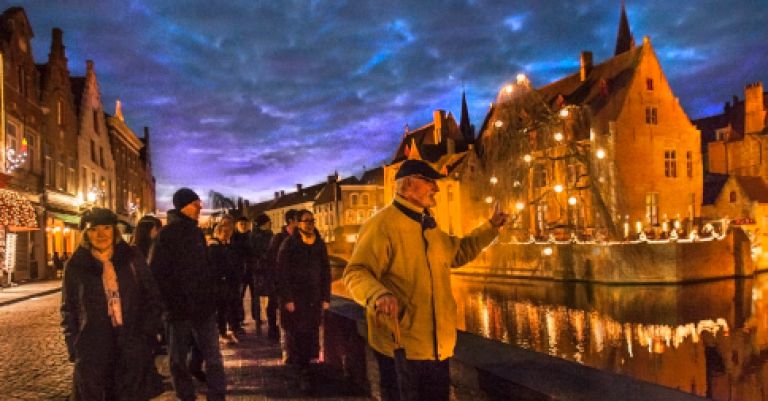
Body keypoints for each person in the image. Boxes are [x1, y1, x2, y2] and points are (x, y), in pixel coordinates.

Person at [343, 159, 508, 401]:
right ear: (409, 185)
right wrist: (377, 294)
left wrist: (491, 227)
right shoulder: (382, 225)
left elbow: (458, 252)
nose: (436, 188)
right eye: (429, 181)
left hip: (438, 347)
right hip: (400, 345)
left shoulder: (428, 225)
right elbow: (356, 272)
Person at [60, 208, 163, 401]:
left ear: (114, 230)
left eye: (106, 228)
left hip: (131, 343)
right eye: (94, 229)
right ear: (86, 234)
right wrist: (74, 346)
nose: (101, 234)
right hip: (93, 349)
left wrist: (146, 334)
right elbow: (69, 309)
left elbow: (152, 297)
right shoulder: (76, 265)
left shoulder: (131, 257)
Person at [150, 188, 226, 401]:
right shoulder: (167, 235)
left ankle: (217, 396)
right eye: (196, 203)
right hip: (178, 311)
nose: (200, 206)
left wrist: (211, 294)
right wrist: (169, 305)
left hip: (203, 308)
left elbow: (205, 269)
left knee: (213, 357)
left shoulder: (196, 233)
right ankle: (186, 397)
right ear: (183, 206)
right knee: (178, 360)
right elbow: (156, 273)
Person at [276, 209, 331, 392]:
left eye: (312, 221)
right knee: (297, 335)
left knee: (310, 333)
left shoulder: (319, 244)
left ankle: (307, 368)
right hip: (296, 299)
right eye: (306, 221)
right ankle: (300, 372)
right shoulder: (289, 244)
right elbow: (281, 274)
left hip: (313, 298)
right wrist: (288, 299)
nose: (310, 224)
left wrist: (326, 297)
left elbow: (325, 272)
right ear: (298, 223)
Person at [129, 214, 165, 398]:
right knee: (146, 345)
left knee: (149, 345)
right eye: (156, 229)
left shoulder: (146, 249)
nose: (158, 233)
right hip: (143, 307)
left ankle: (150, 376)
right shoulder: (138, 252)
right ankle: (147, 378)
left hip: (150, 306)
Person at [264, 209, 299, 340]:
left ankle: (289, 334)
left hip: (293, 281)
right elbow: (271, 260)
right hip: (278, 279)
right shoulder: (279, 238)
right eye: (298, 220)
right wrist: (273, 279)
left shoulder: (298, 238)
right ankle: (273, 330)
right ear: (291, 221)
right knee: (274, 304)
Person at [208, 221, 242, 343]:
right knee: (220, 309)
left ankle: (222, 331)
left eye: (229, 233)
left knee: (224, 308)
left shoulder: (224, 245)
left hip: (226, 283)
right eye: (225, 233)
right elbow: (216, 266)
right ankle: (219, 333)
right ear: (218, 233)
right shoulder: (214, 247)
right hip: (219, 284)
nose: (228, 235)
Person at [232, 216, 255, 328]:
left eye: (245, 224)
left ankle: (257, 317)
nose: (243, 226)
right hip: (240, 270)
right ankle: (239, 318)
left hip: (252, 269)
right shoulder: (234, 238)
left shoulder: (252, 237)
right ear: (237, 225)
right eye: (241, 224)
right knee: (239, 295)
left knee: (255, 295)